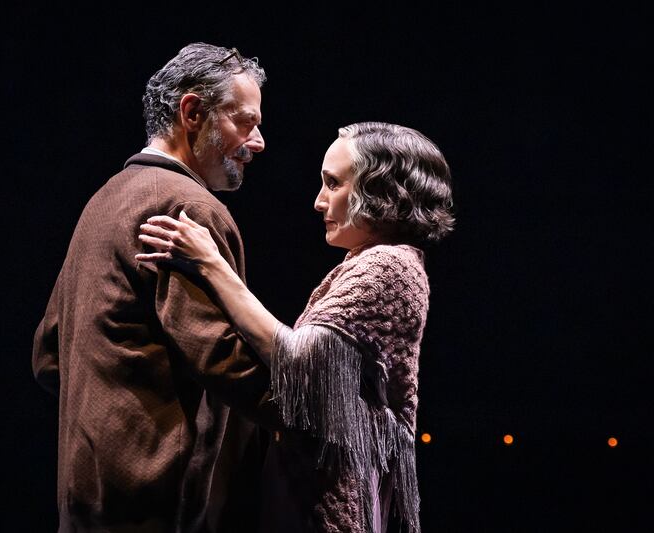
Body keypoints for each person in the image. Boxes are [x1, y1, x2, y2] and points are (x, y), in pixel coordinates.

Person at [137, 121, 455, 533]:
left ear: (381, 191)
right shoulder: (373, 262)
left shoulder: (388, 266)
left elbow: (299, 359)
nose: (319, 202)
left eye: (333, 184)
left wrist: (211, 264)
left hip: (325, 496)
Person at [32, 43, 275, 532]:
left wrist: (110, 426)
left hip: (84, 500)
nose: (259, 142)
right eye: (245, 122)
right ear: (192, 113)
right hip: (155, 504)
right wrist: (322, 411)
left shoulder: (103, 200)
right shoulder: (187, 208)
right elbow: (224, 360)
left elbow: (47, 356)